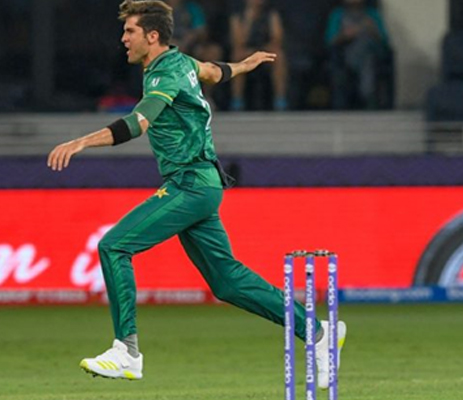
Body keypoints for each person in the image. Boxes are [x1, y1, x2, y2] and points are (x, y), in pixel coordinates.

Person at [47, 0, 346, 384]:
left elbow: (139, 122)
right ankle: (319, 332)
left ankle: (127, 351)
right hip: (203, 185)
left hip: (188, 184)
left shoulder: (162, 75)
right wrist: (243, 65)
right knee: (227, 282)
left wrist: (81, 142)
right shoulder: (182, 63)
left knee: (114, 246)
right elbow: (212, 72)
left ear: (152, 36)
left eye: (130, 32)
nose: (123, 39)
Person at [324, 0, 390, 110]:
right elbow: (329, 41)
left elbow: (384, 41)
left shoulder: (372, 14)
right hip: (346, 55)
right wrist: (345, 35)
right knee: (367, 56)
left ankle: (366, 94)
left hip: (371, 54)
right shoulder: (338, 14)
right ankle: (368, 96)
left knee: (367, 51)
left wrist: (373, 30)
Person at [229, 0, 288, 111]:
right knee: (237, 56)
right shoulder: (237, 15)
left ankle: (280, 99)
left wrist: (263, 50)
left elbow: (277, 38)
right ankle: (237, 99)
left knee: (279, 56)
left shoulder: (271, 14)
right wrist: (249, 20)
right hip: (247, 51)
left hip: (265, 50)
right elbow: (238, 42)